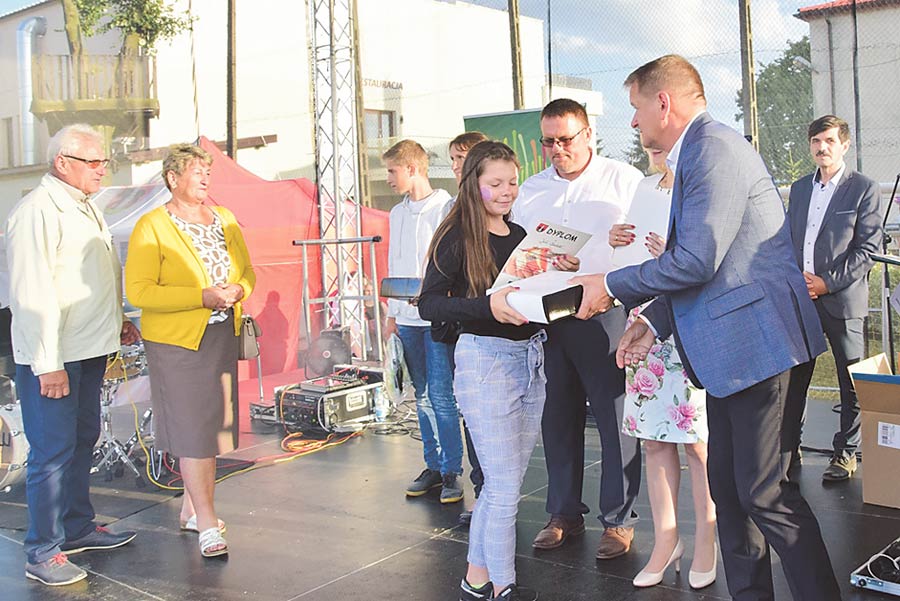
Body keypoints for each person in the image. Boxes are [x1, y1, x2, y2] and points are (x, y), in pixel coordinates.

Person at [591, 55, 840, 600]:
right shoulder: (699, 152)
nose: (632, 121)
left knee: (765, 493)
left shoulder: (713, 149)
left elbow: (696, 261)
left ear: (663, 103)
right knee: (729, 492)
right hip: (733, 354)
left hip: (763, 348)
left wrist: (609, 285)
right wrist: (652, 322)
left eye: (635, 107)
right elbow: (713, 263)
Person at [418, 141, 578, 601]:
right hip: (484, 363)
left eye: (512, 182)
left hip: (530, 359)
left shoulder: (522, 234)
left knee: (503, 484)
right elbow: (430, 304)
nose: (507, 191)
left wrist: (560, 272)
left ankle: (475, 579)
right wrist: (486, 306)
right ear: (473, 184)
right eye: (495, 183)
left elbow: (528, 296)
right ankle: (503, 586)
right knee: (505, 487)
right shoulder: (455, 237)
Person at [6, 124, 139, 586]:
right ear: (63, 163)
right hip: (56, 357)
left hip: (88, 348)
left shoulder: (84, 206)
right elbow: (32, 294)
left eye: (105, 161)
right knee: (52, 452)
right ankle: (42, 550)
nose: (103, 169)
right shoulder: (37, 212)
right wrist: (48, 365)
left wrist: (118, 319)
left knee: (83, 438)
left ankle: (77, 527)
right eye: (94, 161)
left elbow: (96, 276)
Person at [516, 98, 645, 559]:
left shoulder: (624, 180)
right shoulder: (531, 190)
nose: (557, 149)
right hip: (547, 316)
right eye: (548, 141)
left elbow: (644, 245)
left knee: (614, 418)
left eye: (565, 139)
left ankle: (618, 520)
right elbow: (519, 255)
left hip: (604, 312)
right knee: (557, 417)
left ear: (588, 134)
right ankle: (563, 513)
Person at [125, 144, 255, 558]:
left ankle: (190, 509)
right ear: (172, 178)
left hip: (220, 336)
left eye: (207, 172)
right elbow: (139, 292)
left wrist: (238, 290)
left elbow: (247, 272)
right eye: (197, 172)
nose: (205, 179)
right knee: (194, 433)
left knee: (214, 429)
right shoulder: (151, 226)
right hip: (177, 342)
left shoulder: (225, 218)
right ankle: (207, 523)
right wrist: (200, 297)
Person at [608, 152, 717, 589]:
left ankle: (707, 537)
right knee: (654, 440)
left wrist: (673, 256)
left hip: (688, 317)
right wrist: (615, 241)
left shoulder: (701, 187)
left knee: (698, 443)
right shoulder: (642, 187)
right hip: (643, 316)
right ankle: (666, 539)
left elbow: (705, 258)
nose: (656, 152)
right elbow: (628, 255)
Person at [784, 115, 885, 482]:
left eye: (828, 140)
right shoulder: (799, 189)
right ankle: (787, 450)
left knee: (850, 380)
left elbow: (867, 250)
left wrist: (825, 284)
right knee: (794, 380)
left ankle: (845, 453)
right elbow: (786, 241)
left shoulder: (863, 188)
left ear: (844, 145)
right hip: (801, 300)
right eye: (815, 141)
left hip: (841, 302)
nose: (821, 147)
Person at [382, 139, 464, 503]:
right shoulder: (396, 213)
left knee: (442, 395)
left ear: (412, 169)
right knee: (422, 394)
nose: (388, 178)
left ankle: (451, 470)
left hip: (435, 317)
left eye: (392, 171)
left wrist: (436, 295)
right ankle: (433, 464)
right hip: (406, 318)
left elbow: (450, 261)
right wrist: (391, 314)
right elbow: (393, 261)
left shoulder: (445, 207)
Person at [448, 131, 489, 526]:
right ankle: (482, 490)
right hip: (463, 329)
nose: (456, 167)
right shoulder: (452, 211)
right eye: (453, 159)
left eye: (463, 158)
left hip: (504, 333)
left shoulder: (507, 209)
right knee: (471, 416)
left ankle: (496, 491)